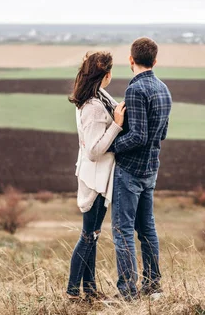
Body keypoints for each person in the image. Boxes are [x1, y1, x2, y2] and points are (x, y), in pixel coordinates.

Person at [109, 37, 172, 300]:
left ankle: (127, 293)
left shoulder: (135, 91)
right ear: (155, 61)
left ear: (131, 59)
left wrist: (110, 143)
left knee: (122, 230)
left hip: (131, 171)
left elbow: (138, 136)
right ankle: (153, 285)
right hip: (151, 169)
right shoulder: (164, 89)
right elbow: (162, 134)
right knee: (147, 228)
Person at [66, 51, 126, 301]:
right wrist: (117, 125)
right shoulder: (91, 106)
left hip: (100, 177)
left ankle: (89, 289)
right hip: (94, 178)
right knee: (88, 234)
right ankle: (72, 291)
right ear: (106, 75)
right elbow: (92, 150)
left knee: (94, 234)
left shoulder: (98, 96)